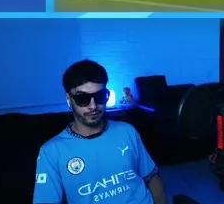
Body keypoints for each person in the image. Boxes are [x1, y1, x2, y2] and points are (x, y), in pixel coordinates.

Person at [34, 59, 167, 204]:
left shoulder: (127, 131)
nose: (93, 106)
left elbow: (152, 178)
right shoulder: (52, 151)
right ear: (69, 99)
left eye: (100, 96)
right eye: (82, 98)